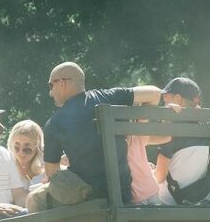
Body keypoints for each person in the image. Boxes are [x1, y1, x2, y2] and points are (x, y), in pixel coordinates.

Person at [30, 61, 162, 211]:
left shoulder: (54, 123)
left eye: (50, 85)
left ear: (62, 83)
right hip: (123, 192)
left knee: (33, 199)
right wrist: (139, 122)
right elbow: (155, 93)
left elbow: (52, 173)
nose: (50, 92)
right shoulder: (108, 97)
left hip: (89, 195)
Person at [153, 77, 210, 206]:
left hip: (168, 201)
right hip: (196, 198)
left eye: (165, 102)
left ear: (177, 100)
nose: (164, 106)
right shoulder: (207, 127)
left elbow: (159, 177)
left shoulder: (170, 129)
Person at [8, 120, 47, 188]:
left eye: (27, 149)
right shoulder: (6, 167)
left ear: (37, 147)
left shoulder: (47, 169)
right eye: (16, 147)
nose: (21, 153)